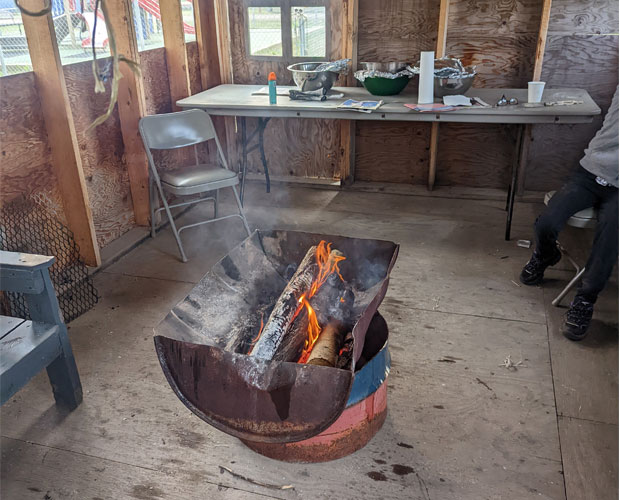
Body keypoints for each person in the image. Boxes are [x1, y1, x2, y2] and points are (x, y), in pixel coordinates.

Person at [520, 86, 619, 341]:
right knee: (547, 223)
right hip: (590, 173)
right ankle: (545, 255)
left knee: (609, 240)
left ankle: (585, 300)